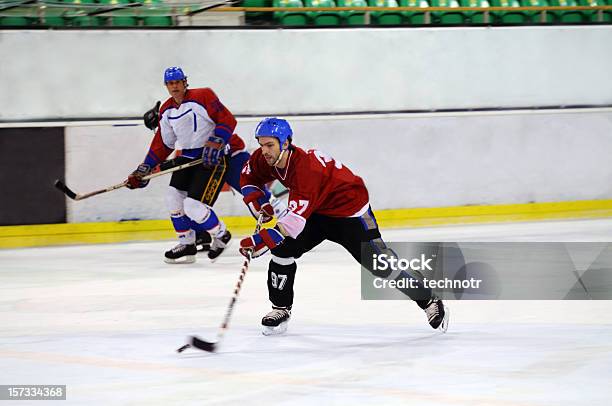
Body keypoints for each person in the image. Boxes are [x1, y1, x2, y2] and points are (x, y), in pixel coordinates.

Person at [239, 117, 449, 335]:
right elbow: (247, 177)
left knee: (381, 265)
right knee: (282, 250)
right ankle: (281, 308)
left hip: (350, 213)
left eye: (270, 145)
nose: (264, 151)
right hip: (318, 211)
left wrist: (260, 240)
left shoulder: (306, 170)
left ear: (285, 143)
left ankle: (428, 298)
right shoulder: (265, 158)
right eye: (261, 144)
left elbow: (292, 224)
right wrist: (258, 200)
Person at [126, 66, 236, 264]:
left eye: (177, 82)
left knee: (192, 206)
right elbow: (163, 143)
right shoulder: (166, 110)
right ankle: (187, 244)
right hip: (188, 159)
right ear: (166, 86)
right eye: (170, 83)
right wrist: (146, 166)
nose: (174, 86)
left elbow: (226, 120)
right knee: (173, 198)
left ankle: (222, 234)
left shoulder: (203, 96)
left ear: (185, 82)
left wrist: (217, 140)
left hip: (211, 159)